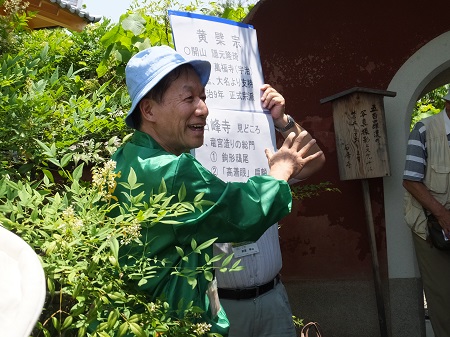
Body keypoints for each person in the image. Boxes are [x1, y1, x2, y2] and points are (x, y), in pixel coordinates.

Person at [109, 45, 324, 336]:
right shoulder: (176, 170)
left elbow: (313, 158)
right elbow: (243, 212)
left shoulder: (125, 158)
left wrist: (282, 122)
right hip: (181, 320)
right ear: (148, 109)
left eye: (204, 97)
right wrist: (280, 171)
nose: (204, 109)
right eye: (189, 98)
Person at [214, 89, 325, 337]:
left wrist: (282, 120)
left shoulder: (268, 167)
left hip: (272, 297)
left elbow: (315, 160)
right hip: (225, 305)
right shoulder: (202, 174)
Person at [403, 89, 450, 337]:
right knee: (443, 297)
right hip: (432, 227)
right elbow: (410, 181)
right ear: (448, 103)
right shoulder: (424, 130)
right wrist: (442, 214)